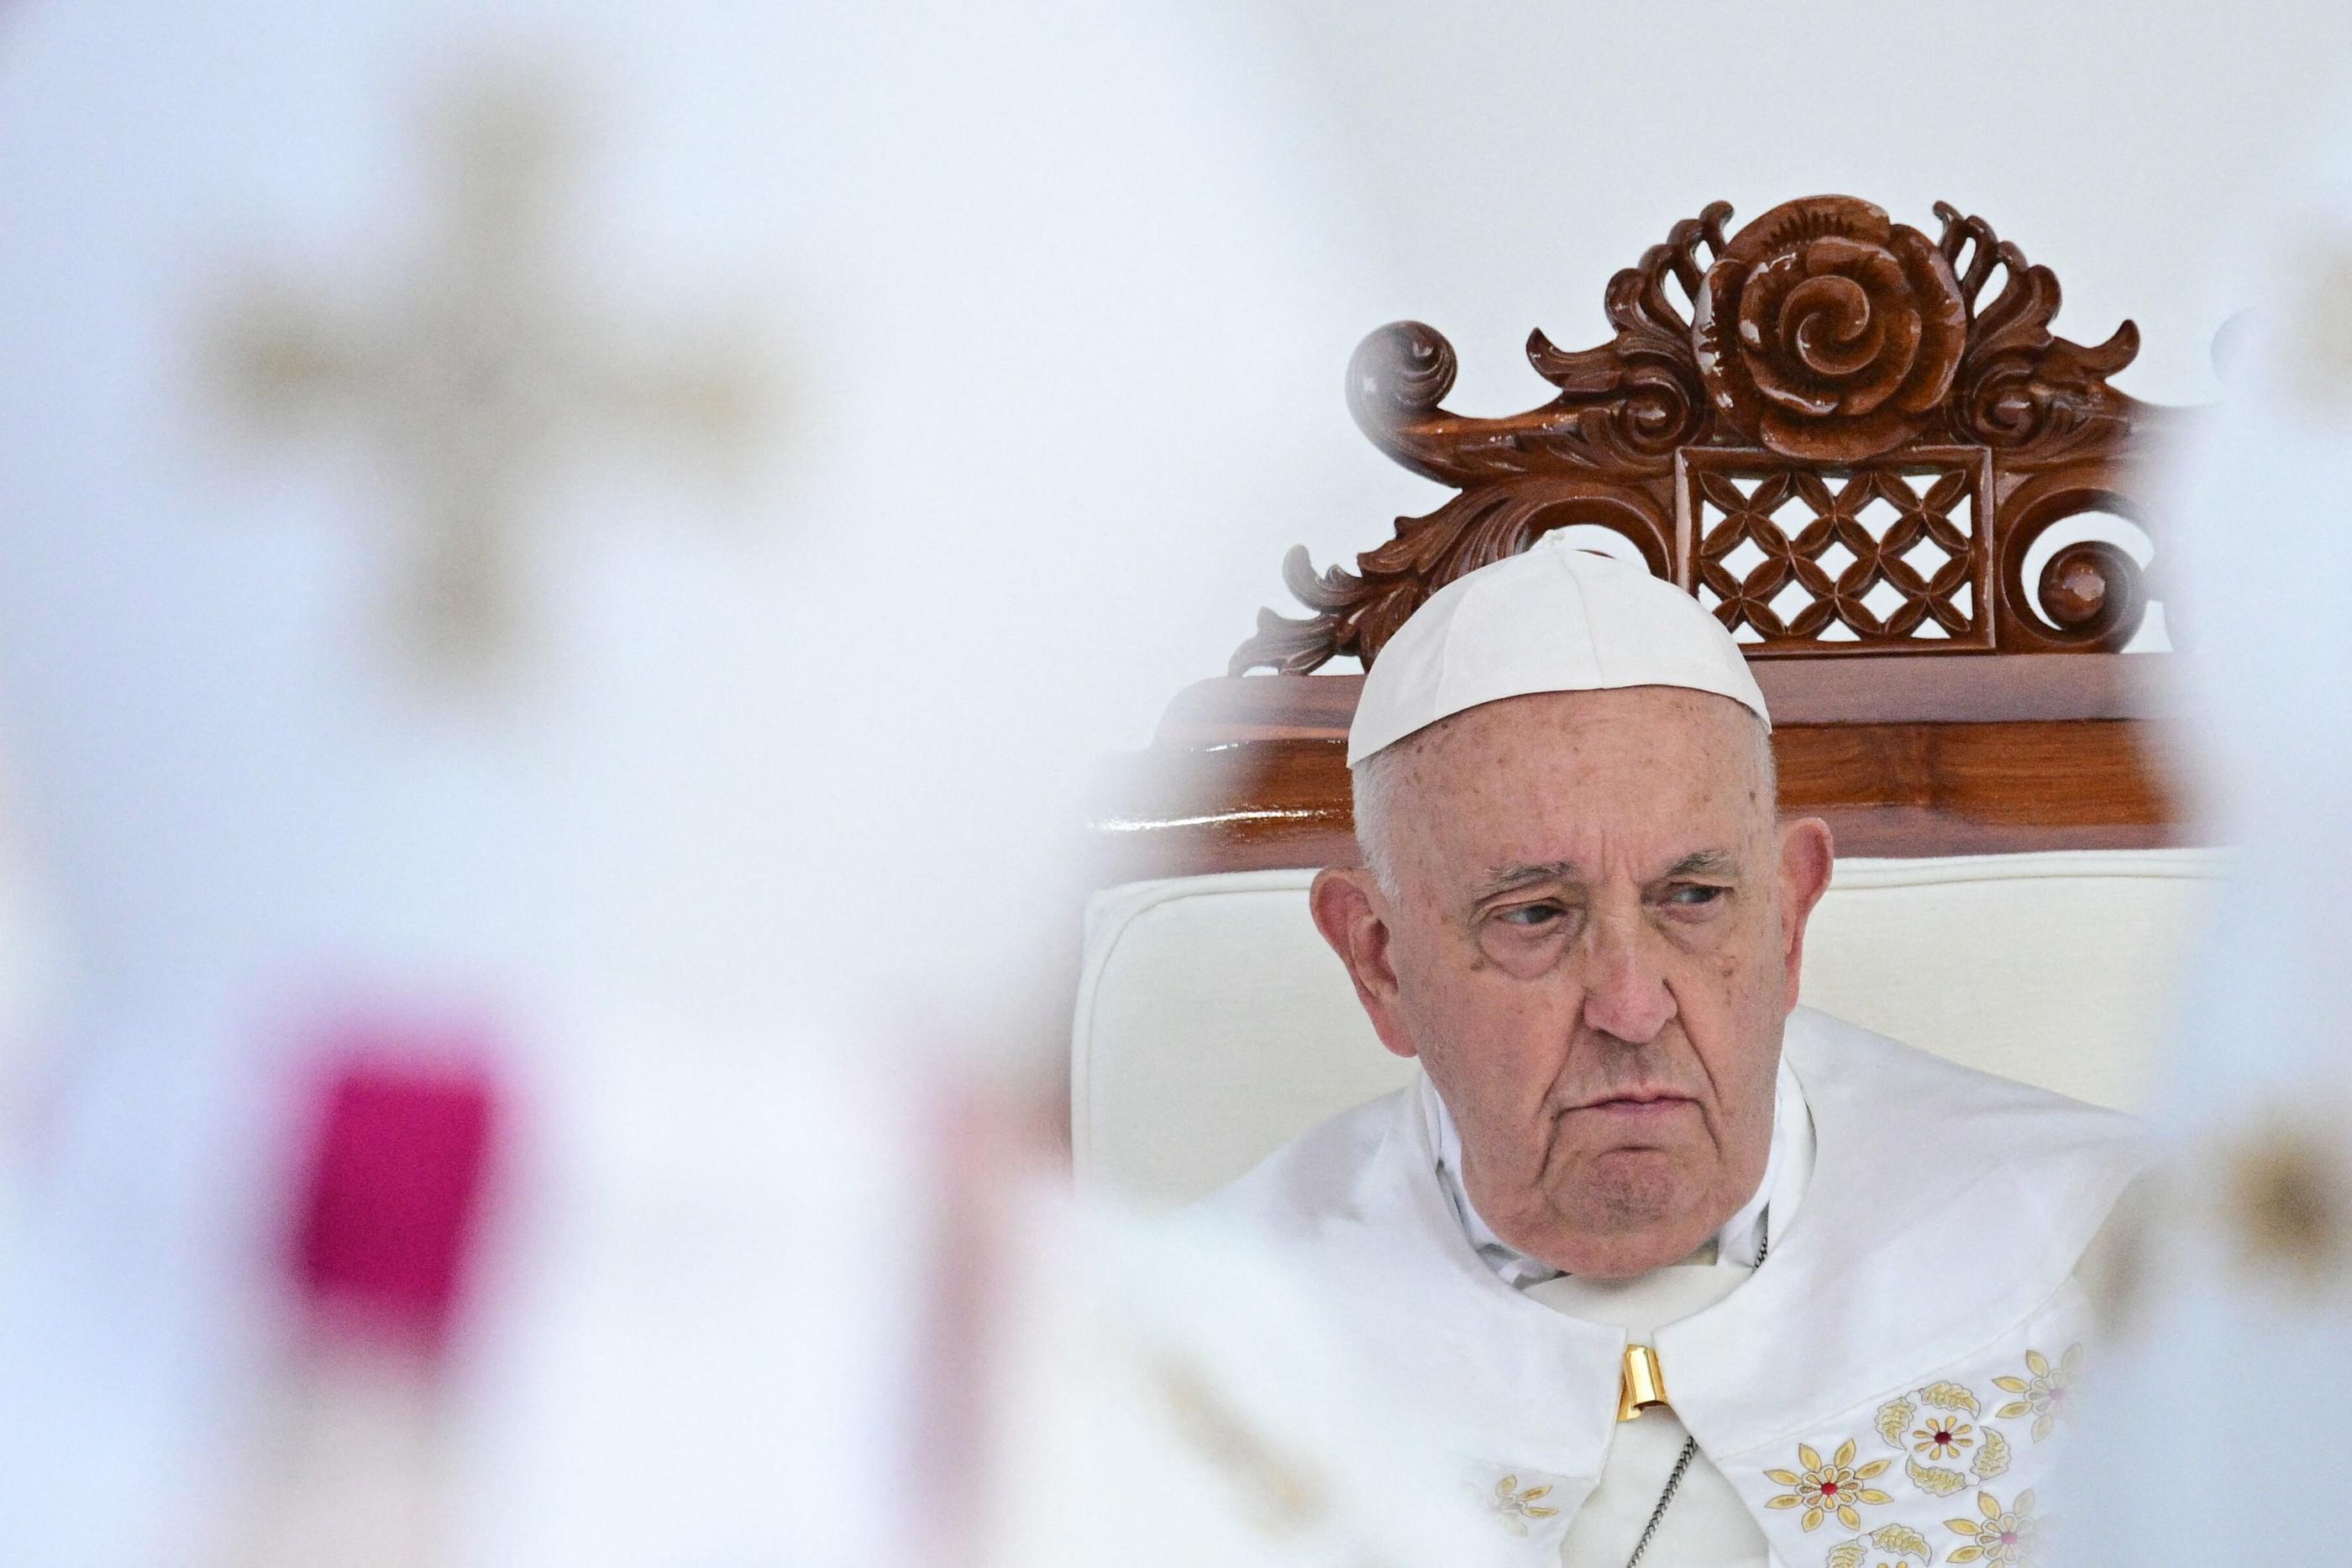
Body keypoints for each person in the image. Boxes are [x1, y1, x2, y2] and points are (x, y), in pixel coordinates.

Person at [1200, 531, 2149, 1566]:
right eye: (1534, 916)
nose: (1630, 1006)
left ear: (1787, 919)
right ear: (1378, 961)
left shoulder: (2118, 1249)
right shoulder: (1196, 1353)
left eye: (1691, 898)